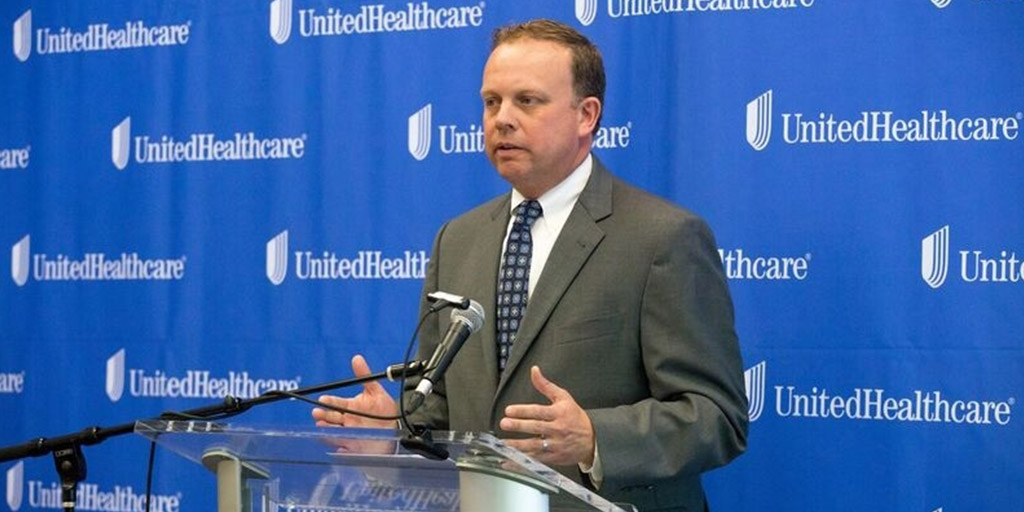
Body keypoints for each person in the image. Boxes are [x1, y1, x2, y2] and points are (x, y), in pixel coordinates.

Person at [313, 19, 748, 511]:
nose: (502, 119)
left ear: (586, 115)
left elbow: (716, 417)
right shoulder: (457, 240)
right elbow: (439, 413)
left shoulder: (661, 238)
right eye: (491, 101)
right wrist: (390, 437)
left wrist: (595, 437)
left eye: (527, 100)